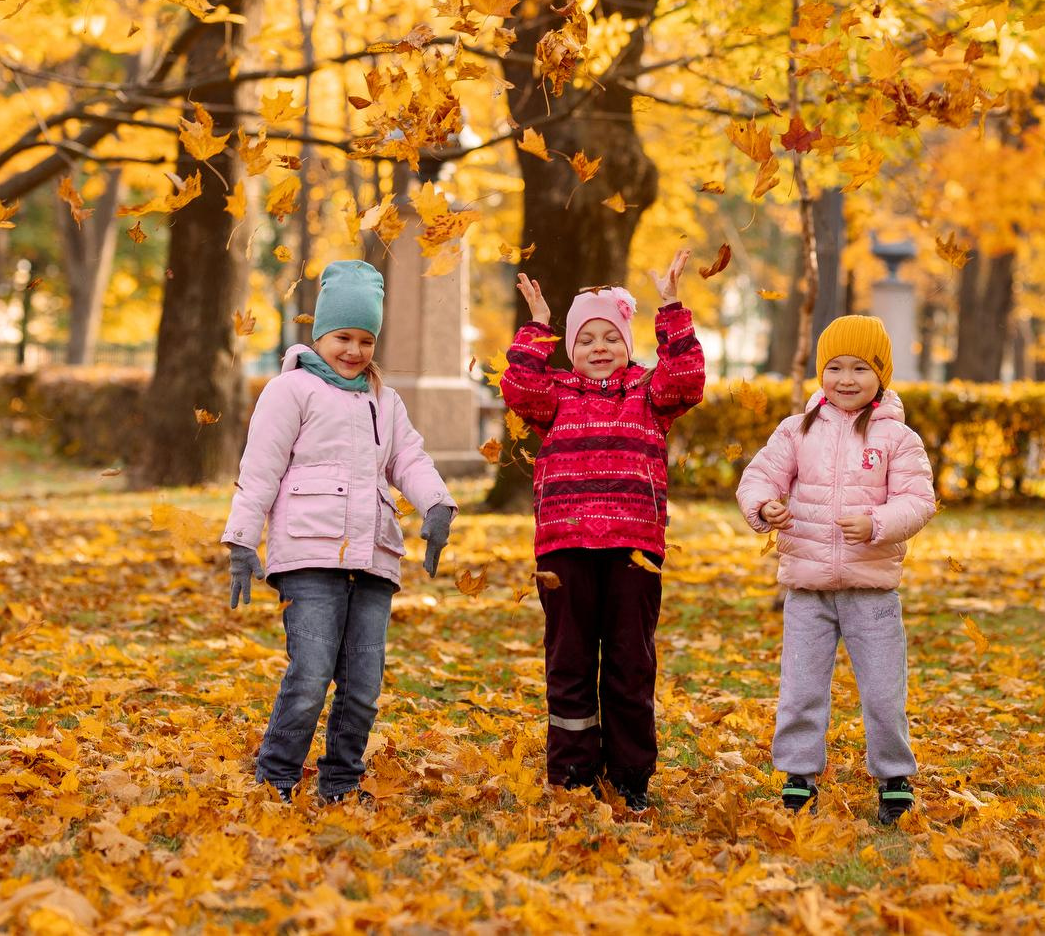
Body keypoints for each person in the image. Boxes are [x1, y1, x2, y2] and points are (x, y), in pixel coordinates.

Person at [220, 259, 456, 805]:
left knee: (363, 687)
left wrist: (437, 502)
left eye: (366, 340)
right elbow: (260, 471)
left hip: (373, 557)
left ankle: (341, 783)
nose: (353, 351)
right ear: (320, 334)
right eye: (343, 337)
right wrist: (240, 540)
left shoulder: (385, 401)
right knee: (309, 676)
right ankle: (275, 779)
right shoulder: (290, 392)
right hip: (308, 557)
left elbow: (409, 460)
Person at [501, 253, 706, 811]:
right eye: (585, 338)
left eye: (610, 337)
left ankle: (631, 776)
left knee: (629, 663)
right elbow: (517, 388)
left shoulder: (647, 393)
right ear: (571, 347)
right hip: (564, 550)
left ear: (628, 344)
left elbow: (687, 381)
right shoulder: (556, 396)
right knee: (569, 662)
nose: (598, 347)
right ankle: (573, 773)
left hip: (633, 550)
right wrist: (538, 327)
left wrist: (671, 309)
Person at [734, 315, 937, 825]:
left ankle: (893, 777)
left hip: (872, 592)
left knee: (883, 691)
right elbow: (758, 476)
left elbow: (918, 501)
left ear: (881, 374)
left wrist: (875, 522)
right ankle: (798, 775)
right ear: (821, 374)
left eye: (860, 368)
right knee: (801, 688)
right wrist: (765, 508)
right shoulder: (797, 430)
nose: (846, 379)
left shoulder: (898, 438)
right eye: (834, 368)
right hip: (808, 589)